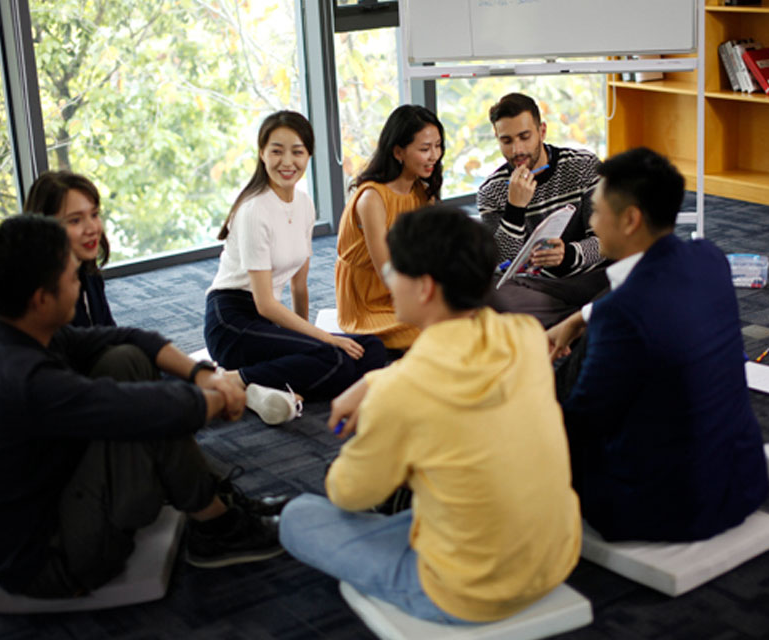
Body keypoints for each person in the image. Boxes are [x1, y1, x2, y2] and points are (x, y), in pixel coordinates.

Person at [0, 215, 287, 599]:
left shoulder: (14, 335)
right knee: (149, 414)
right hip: (51, 562)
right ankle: (217, 528)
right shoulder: (26, 380)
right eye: (71, 278)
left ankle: (212, 505)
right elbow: (140, 409)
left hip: (50, 496)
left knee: (123, 359)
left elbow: (128, 337)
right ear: (41, 299)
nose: (79, 284)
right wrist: (221, 398)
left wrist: (202, 375)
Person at [281, 207, 582, 624]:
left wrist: (377, 420)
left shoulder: (403, 393)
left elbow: (349, 494)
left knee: (298, 517)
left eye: (393, 272)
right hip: (557, 557)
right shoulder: (526, 335)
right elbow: (439, 363)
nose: (388, 282)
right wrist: (374, 382)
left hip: (466, 592)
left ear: (423, 288)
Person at [546, 147, 768, 542]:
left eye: (596, 212)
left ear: (630, 219)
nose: (592, 223)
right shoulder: (710, 258)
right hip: (741, 481)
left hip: (663, 508)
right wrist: (580, 317)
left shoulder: (622, 317)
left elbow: (581, 425)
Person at [205, 111, 386, 422]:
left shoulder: (303, 204)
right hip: (232, 322)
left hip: (267, 321)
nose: (287, 162)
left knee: (372, 348)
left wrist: (304, 343)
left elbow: (298, 286)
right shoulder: (254, 210)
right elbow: (264, 304)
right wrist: (321, 339)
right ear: (262, 154)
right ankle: (235, 379)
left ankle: (266, 387)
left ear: (308, 155)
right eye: (277, 151)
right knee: (334, 357)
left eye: (297, 152)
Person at [477, 92, 609, 327]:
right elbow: (500, 263)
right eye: (506, 141)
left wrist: (568, 255)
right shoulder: (491, 191)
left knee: (635, 272)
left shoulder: (582, 166)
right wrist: (515, 208)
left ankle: (572, 321)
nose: (517, 150)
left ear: (542, 131)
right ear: (497, 139)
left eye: (524, 137)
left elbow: (605, 242)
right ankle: (584, 319)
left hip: (592, 277)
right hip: (542, 287)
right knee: (488, 297)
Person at [335, 104, 445, 351]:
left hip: (407, 287)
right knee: (432, 332)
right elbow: (387, 273)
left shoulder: (421, 191)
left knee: (467, 316)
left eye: (438, 146)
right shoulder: (372, 198)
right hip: (367, 300)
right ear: (398, 152)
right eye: (425, 149)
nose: (434, 156)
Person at [24, 170, 115, 328]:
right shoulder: (40, 297)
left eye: (94, 215)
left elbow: (109, 332)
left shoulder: (87, 272)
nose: (92, 229)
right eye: (75, 220)